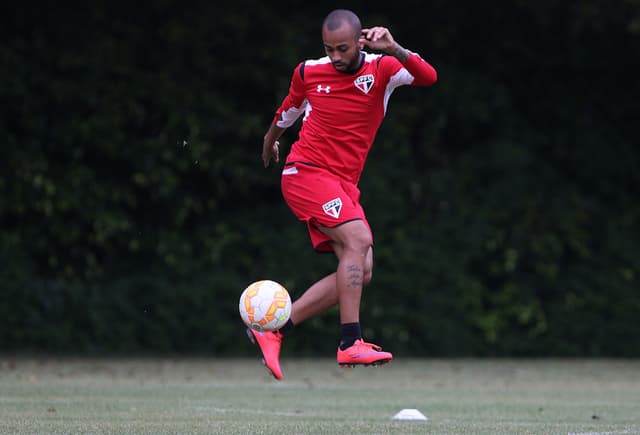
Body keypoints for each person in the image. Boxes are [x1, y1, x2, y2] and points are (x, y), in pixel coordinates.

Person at [247, 9, 437, 380]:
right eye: (329, 48)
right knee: (359, 239)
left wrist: (395, 47)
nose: (335, 57)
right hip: (306, 173)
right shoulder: (309, 71)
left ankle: (275, 330)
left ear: (359, 42)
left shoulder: (382, 68)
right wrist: (270, 141)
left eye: (343, 49)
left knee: (362, 269)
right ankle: (351, 342)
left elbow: (428, 77)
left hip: (342, 184)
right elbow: (288, 109)